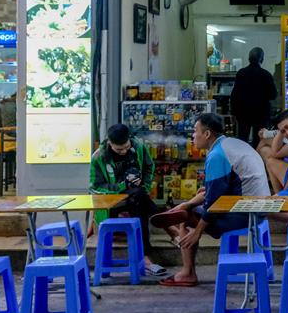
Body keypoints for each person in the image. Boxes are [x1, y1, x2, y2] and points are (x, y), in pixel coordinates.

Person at [150, 113, 270, 286]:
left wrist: (198, 231)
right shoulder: (232, 144)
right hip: (256, 207)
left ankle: (187, 273)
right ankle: (186, 210)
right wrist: (194, 200)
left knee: (186, 217)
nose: (192, 136)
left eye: (195, 131)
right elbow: (225, 188)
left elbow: (214, 202)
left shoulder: (217, 155)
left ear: (207, 134)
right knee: (193, 204)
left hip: (246, 213)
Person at [89, 123, 165, 276]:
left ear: (130, 139)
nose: (123, 151)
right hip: (111, 203)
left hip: (136, 197)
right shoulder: (99, 157)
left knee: (139, 201)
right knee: (139, 197)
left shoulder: (138, 147)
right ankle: (168, 227)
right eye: (119, 149)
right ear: (110, 143)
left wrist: (145, 186)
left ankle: (145, 258)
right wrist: (122, 186)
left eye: (126, 147)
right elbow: (95, 187)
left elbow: (149, 167)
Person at [230, 46, 278, 147]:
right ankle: (258, 160)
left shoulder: (241, 73)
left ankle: (242, 160)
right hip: (261, 113)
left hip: (243, 113)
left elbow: (234, 95)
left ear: (249, 58)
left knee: (242, 138)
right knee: (259, 139)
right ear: (262, 59)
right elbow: (273, 95)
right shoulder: (266, 75)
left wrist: (233, 113)